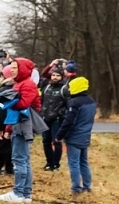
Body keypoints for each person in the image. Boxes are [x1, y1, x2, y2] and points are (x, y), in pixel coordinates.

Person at [0, 56, 43, 204]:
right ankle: (25, 194)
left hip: (24, 125)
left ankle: (18, 193)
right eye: (11, 67)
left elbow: (23, 104)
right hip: (17, 124)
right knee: (24, 159)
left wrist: (7, 100)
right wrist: (8, 128)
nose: (12, 69)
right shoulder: (19, 83)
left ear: (22, 69)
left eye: (15, 67)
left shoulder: (28, 84)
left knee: (19, 160)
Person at [63, 64, 96, 193]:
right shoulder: (91, 100)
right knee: (84, 162)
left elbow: (68, 122)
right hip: (85, 136)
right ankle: (87, 186)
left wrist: (60, 136)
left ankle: (76, 187)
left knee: (74, 162)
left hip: (74, 137)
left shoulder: (74, 102)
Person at [40, 60, 67, 171]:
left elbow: (68, 104)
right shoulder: (47, 86)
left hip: (57, 119)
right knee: (46, 141)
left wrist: (60, 113)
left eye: (57, 75)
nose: (55, 77)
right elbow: (41, 101)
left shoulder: (64, 88)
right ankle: (49, 163)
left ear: (61, 77)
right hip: (45, 118)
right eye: (53, 75)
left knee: (56, 141)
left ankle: (56, 164)